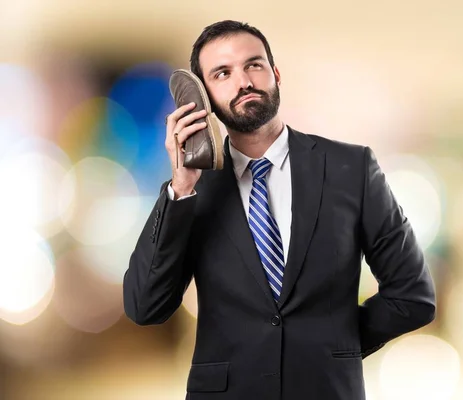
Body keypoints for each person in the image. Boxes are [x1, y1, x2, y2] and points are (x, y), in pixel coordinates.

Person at [123, 20, 436, 400]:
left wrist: (332, 347)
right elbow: (144, 307)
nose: (244, 82)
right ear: (201, 99)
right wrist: (182, 187)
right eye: (223, 73)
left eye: (253, 65)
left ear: (275, 73)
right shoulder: (191, 190)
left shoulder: (350, 168)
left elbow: (413, 296)